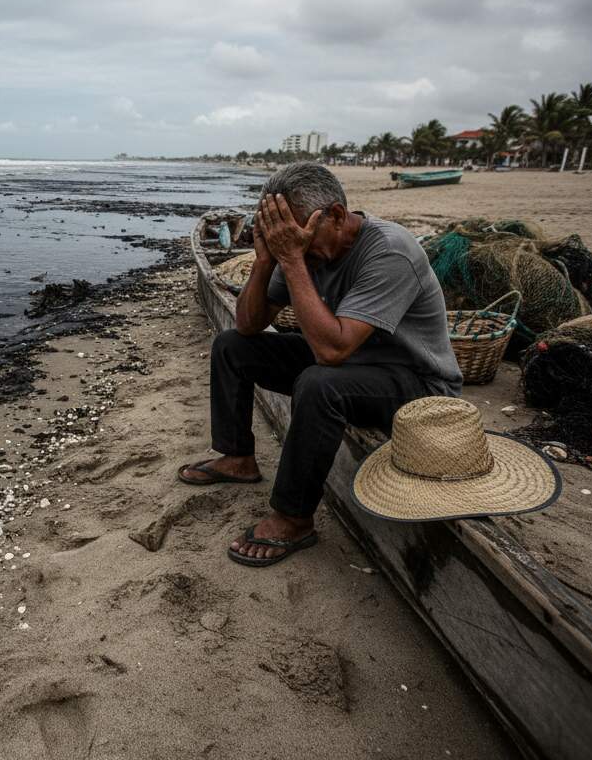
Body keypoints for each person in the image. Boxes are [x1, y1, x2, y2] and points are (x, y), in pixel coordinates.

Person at [178, 162, 463, 566]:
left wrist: (292, 261)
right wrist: (265, 262)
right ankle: (237, 457)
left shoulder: (389, 251)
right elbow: (248, 323)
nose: (295, 248)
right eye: (283, 239)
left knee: (318, 382)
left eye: (302, 239)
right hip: (351, 364)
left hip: (417, 385)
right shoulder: (301, 250)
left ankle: (294, 518)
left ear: (336, 216)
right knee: (232, 347)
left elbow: (332, 352)